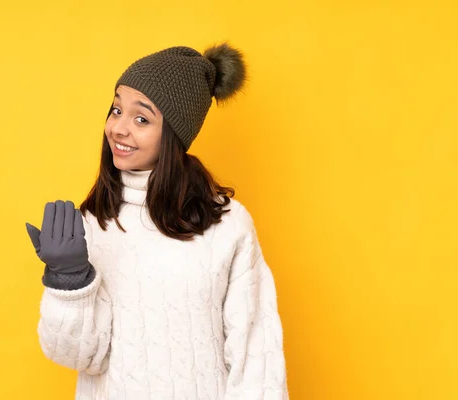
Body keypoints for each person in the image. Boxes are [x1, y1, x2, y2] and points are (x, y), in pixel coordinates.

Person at [25, 42, 289, 399]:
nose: (118, 128)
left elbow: (257, 361)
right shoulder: (94, 222)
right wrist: (68, 281)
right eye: (116, 109)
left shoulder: (226, 226)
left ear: (174, 135)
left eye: (141, 118)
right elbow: (77, 357)